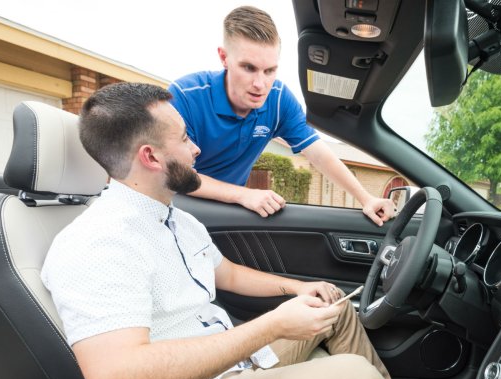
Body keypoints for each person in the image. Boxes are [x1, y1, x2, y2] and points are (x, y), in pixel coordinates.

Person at [40, 82, 415, 379]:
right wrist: (274, 326)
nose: (197, 149)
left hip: (227, 360)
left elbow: (228, 273)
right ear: (150, 157)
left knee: (331, 303)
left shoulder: (176, 218)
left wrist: (298, 288)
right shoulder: (96, 242)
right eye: (185, 139)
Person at [168, 6, 395, 226]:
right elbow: (178, 176)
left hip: (227, 214)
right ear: (223, 57)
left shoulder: (278, 100)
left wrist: (366, 199)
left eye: (269, 71)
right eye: (249, 67)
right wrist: (243, 195)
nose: (260, 84)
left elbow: (317, 153)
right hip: (177, 210)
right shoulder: (185, 97)